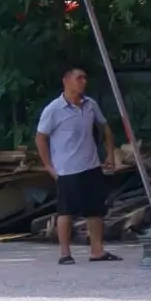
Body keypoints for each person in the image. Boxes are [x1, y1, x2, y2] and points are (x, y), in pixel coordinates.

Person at [34, 66, 121, 264]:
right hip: (67, 168)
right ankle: (65, 253)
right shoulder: (53, 109)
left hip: (91, 165)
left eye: (85, 78)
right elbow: (40, 138)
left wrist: (109, 154)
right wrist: (48, 165)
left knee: (95, 210)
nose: (83, 82)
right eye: (79, 78)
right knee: (66, 211)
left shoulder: (90, 105)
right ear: (66, 81)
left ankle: (97, 251)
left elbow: (105, 128)